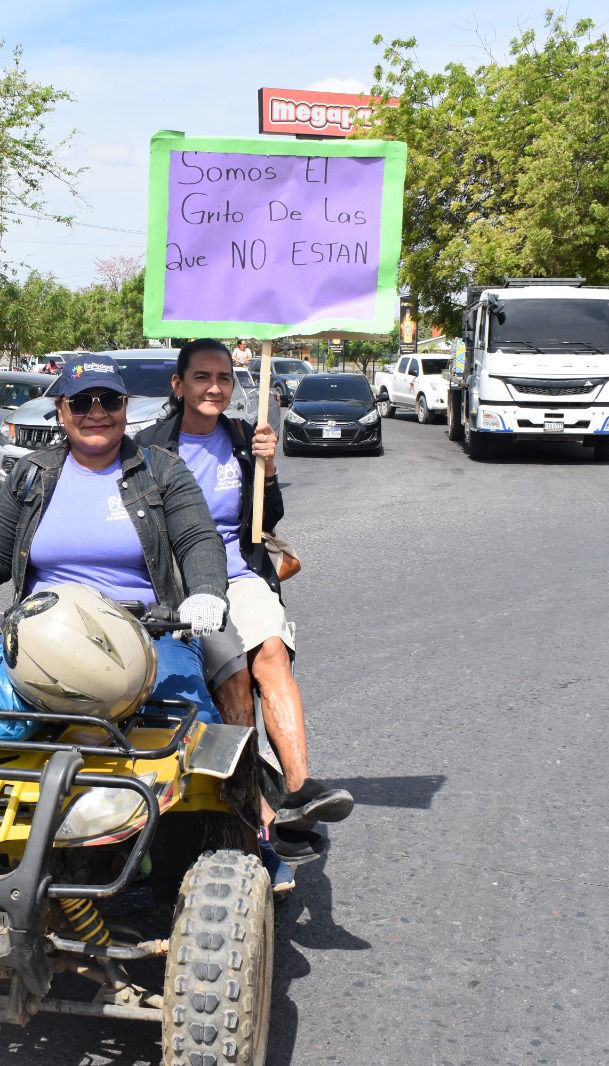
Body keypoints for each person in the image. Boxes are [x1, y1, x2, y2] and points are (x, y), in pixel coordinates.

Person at [0, 353, 230, 728]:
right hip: (41, 638)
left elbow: (198, 538)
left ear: (124, 407)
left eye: (109, 400)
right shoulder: (32, 473)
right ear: (61, 410)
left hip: (145, 636)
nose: (97, 412)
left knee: (190, 729)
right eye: (81, 402)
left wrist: (205, 593)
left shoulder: (163, 470)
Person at [138, 339, 353, 846]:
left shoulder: (242, 438)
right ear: (178, 385)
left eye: (224, 378)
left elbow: (266, 518)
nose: (214, 387)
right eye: (202, 377)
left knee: (271, 652)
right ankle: (255, 806)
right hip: (182, 585)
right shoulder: (148, 448)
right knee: (232, 675)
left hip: (239, 574)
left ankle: (299, 790)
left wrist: (268, 468)